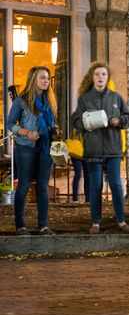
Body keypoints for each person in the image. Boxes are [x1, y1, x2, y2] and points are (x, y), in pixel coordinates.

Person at [72, 62, 129, 234]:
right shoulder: (84, 99)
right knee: (95, 187)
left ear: (108, 78)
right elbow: (77, 122)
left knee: (116, 186)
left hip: (113, 149)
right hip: (92, 150)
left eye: (104, 74)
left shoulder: (116, 98)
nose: (100, 77)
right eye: (97, 74)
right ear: (92, 77)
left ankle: (121, 221)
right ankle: (96, 222)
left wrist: (119, 121)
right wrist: (86, 123)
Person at [5, 66, 61, 235]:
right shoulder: (21, 100)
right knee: (24, 185)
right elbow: (10, 125)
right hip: (26, 148)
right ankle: (20, 226)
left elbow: (51, 122)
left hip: (45, 147)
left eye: (47, 78)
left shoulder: (50, 100)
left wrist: (55, 129)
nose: (46, 81)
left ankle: (43, 226)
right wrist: (27, 133)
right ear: (33, 80)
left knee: (43, 187)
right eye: (42, 78)